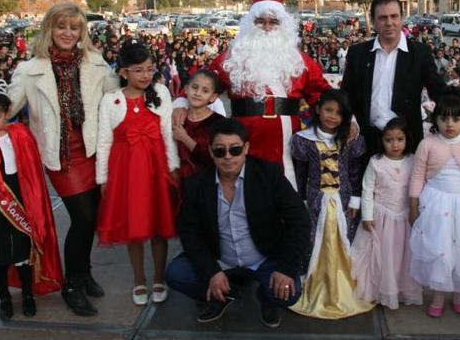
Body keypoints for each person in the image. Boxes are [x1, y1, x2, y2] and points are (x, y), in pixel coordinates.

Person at [0, 2, 119, 316]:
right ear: (49, 28)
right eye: (62, 26)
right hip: (60, 157)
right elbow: (4, 105)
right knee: (84, 218)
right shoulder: (29, 70)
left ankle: (84, 272)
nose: (68, 33)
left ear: (82, 31)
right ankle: (71, 284)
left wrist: (161, 105)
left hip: (92, 151)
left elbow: (118, 100)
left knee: (93, 218)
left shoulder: (97, 64)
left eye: (74, 27)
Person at [165, 119, 311, 329]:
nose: (227, 157)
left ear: (246, 148)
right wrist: (211, 271)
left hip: (263, 257)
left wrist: (287, 268)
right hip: (221, 259)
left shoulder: (268, 175)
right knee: (176, 274)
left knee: (289, 292)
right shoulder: (197, 184)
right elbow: (189, 231)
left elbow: (299, 219)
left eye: (235, 149)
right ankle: (225, 293)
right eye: (219, 151)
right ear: (210, 151)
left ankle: (266, 299)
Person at [173, 0, 330, 189]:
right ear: (250, 24)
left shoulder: (299, 60)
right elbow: (203, 82)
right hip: (243, 138)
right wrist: (181, 102)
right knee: (244, 193)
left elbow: (322, 93)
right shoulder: (231, 59)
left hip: (286, 139)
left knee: (284, 193)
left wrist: (349, 118)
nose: (267, 26)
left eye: (274, 22)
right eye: (260, 21)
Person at [0, 75, 63, 322]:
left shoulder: (20, 136)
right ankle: (4, 298)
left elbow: (30, 174)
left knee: (20, 253)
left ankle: (27, 294)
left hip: (17, 201)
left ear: (7, 113)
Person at [95, 43, 180, 306]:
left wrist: (172, 166)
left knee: (158, 223)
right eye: (138, 70)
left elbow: (167, 133)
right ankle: (139, 279)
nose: (145, 75)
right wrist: (103, 177)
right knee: (134, 225)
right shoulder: (111, 100)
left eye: (149, 69)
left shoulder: (161, 93)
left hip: (155, 167)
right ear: (123, 72)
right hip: (126, 171)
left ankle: (158, 277)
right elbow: (104, 141)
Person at [288, 90, 373, 319]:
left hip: (343, 200)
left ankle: (343, 286)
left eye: (338, 113)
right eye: (328, 110)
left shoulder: (350, 141)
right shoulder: (304, 140)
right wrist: (303, 201)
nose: (332, 116)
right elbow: (301, 173)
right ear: (318, 109)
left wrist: (355, 198)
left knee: (343, 241)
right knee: (315, 241)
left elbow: (354, 172)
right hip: (316, 200)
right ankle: (314, 285)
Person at [408, 87, 460, 318]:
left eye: (456, 118)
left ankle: (459, 293)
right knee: (439, 248)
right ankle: (438, 295)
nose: (450, 124)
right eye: (444, 118)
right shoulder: (428, 144)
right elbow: (417, 175)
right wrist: (413, 205)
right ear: (436, 119)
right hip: (435, 202)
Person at [340, 0, 448, 163]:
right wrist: (350, 120)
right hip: (365, 141)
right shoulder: (358, 54)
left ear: (402, 17)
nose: (389, 23)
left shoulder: (420, 53)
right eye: (382, 18)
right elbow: (346, 93)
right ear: (373, 21)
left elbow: (439, 90)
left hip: (406, 143)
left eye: (394, 16)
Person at [351, 117, 423, 309]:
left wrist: (419, 212)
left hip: (405, 217)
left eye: (400, 139)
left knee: (402, 256)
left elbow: (419, 187)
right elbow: (367, 189)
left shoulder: (413, 160)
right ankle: (380, 290)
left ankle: (400, 290)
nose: (395, 144)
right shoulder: (376, 162)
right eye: (389, 140)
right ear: (381, 141)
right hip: (381, 217)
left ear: (407, 139)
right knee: (383, 256)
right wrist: (367, 215)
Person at [172, 70, 224, 180]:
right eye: (194, 87)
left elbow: (214, 157)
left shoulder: (218, 122)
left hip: (204, 182)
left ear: (213, 97)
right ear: (186, 89)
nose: (198, 93)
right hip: (177, 180)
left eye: (205, 91)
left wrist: (185, 138)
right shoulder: (178, 117)